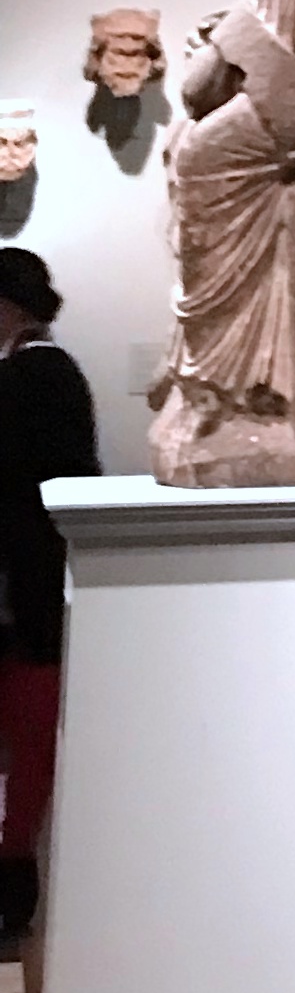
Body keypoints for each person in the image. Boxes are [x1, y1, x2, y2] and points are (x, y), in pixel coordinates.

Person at [0, 247, 96, 939]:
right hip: (35, 583)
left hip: (20, 587)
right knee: (31, 740)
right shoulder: (56, 372)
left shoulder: (28, 377)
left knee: (29, 737)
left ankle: (12, 884)